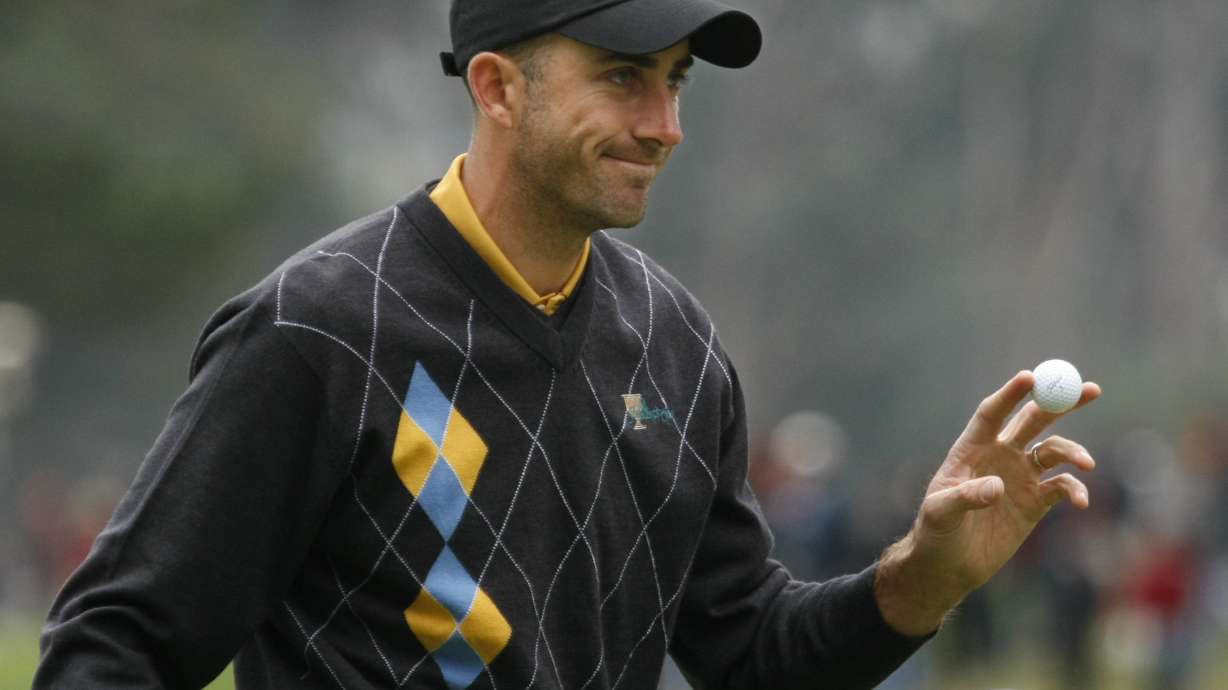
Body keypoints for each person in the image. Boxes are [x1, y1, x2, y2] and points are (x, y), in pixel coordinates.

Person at [34, 1, 1102, 688]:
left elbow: (746, 651)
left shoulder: (675, 343)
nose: (664, 124)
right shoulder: (317, 329)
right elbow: (113, 652)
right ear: (497, 87)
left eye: (676, 80)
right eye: (623, 77)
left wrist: (919, 581)